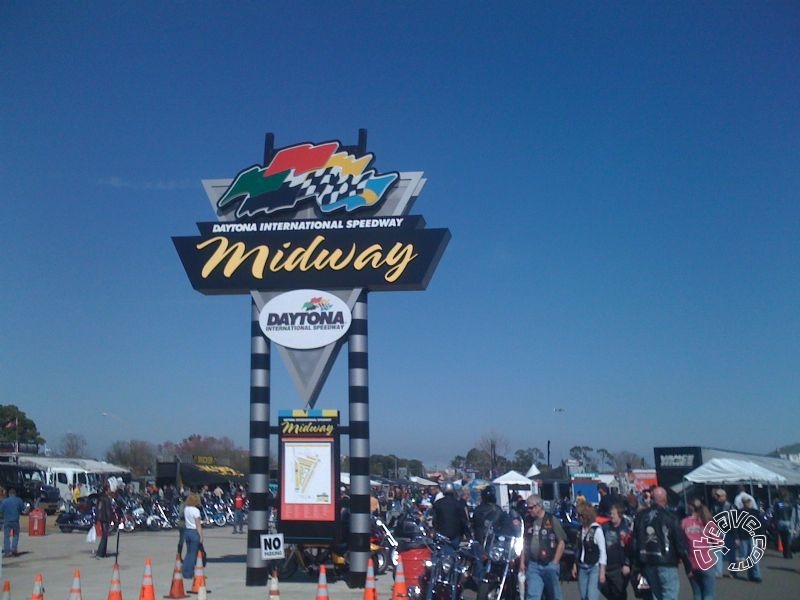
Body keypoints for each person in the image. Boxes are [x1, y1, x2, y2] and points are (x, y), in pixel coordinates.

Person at [633, 486, 691, 600]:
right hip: (667, 562)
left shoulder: (641, 517)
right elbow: (679, 543)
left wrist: (638, 565)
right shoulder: (671, 517)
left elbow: (636, 542)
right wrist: (688, 566)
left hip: (649, 561)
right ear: (665, 499)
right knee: (669, 594)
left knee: (657, 595)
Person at [520, 494, 566, 600]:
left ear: (538, 506)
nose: (529, 510)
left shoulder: (551, 519)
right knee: (532, 595)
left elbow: (561, 543)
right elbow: (524, 542)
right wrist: (522, 562)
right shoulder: (528, 521)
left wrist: (555, 562)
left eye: (531, 508)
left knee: (555, 595)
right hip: (533, 564)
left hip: (549, 564)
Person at [681, 499, 716, 599]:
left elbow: (681, 542)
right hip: (706, 561)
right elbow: (717, 541)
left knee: (697, 593)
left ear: (690, 508)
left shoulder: (684, 522)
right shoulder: (707, 521)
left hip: (691, 562)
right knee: (709, 594)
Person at [572, 504, 607, 600]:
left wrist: (602, 571)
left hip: (594, 568)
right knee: (584, 596)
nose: (578, 518)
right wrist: (575, 565)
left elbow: (603, 551)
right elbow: (578, 549)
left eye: (580, 516)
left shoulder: (596, 530)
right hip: (582, 567)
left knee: (592, 596)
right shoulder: (580, 530)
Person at [601, 503, 633, 600]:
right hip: (606, 566)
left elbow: (630, 549)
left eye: (613, 514)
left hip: (620, 567)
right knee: (605, 590)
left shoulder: (626, 529)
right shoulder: (605, 527)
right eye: (610, 514)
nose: (611, 516)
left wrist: (627, 564)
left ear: (619, 514)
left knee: (619, 593)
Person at [432, 482, 468, 548]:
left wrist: (436, 531)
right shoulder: (458, 504)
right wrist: (465, 534)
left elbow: (434, 521)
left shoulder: (438, 503)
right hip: (456, 534)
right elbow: (463, 521)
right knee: (455, 553)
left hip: (442, 534)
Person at [735, 496, 762, 583]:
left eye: (749, 502)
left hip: (753, 536)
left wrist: (760, 537)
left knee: (754, 556)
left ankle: (756, 575)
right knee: (747, 557)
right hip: (743, 537)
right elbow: (735, 526)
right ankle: (751, 575)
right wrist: (737, 538)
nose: (749, 503)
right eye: (746, 502)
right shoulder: (738, 513)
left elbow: (759, 526)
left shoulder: (755, 512)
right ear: (743, 503)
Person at [710, 488, 735, 578]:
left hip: (729, 531)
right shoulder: (714, 506)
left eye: (719, 496)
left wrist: (736, 536)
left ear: (724, 496)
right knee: (717, 552)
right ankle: (718, 571)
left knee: (730, 553)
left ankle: (733, 572)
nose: (717, 498)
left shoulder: (730, 506)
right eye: (716, 496)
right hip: (717, 531)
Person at [182, 493, 204, 581]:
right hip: (194, 532)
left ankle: (184, 571)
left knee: (188, 553)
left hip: (187, 531)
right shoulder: (196, 511)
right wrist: (201, 536)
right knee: (193, 555)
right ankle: (189, 573)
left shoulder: (186, 509)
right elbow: (198, 525)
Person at [0, 488, 26, 557]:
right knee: (16, 535)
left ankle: (7, 552)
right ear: (15, 494)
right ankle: (14, 550)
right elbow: (23, 509)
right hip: (15, 521)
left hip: (7, 521)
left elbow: (1, 510)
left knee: (6, 536)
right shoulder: (19, 500)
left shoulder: (5, 501)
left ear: (9, 494)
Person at [771, 489, 796, 559]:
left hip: (780, 521)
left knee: (783, 538)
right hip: (789, 522)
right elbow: (792, 513)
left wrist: (774, 522)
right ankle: (789, 553)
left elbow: (775, 513)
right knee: (789, 538)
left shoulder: (777, 503)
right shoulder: (790, 503)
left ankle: (785, 553)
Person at [95, 484, 114, 558]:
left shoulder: (100, 498)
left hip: (101, 518)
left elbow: (98, 508)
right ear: (107, 490)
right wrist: (110, 520)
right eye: (109, 489)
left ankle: (102, 553)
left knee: (105, 535)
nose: (110, 490)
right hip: (105, 519)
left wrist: (97, 518)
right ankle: (100, 553)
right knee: (105, 536)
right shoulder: (106, 499)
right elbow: (108, 511)